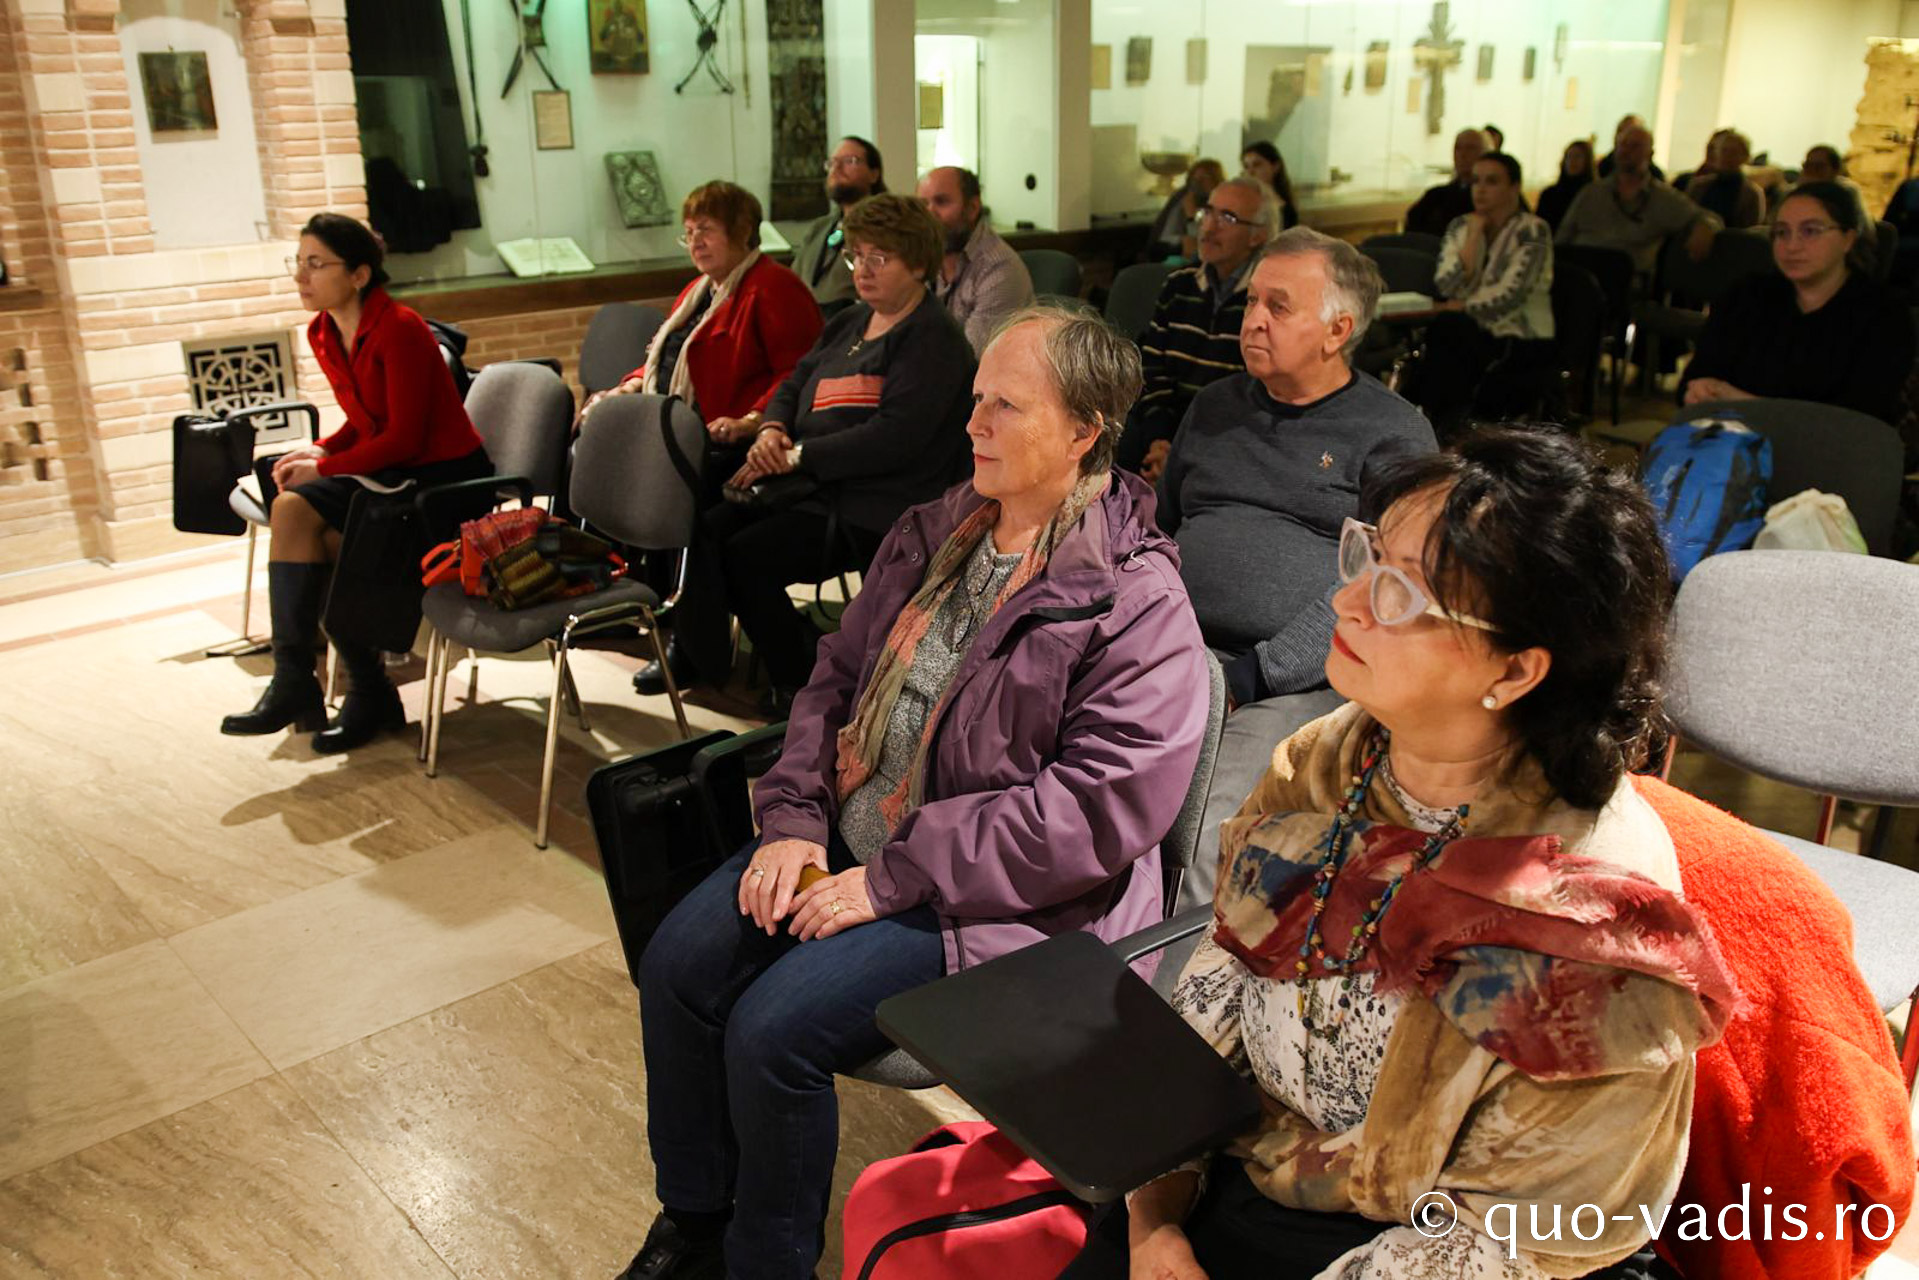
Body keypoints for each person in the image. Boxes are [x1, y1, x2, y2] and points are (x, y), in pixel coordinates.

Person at [622, 305, 1209, 1280]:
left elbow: (1094, 813)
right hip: (858, 836)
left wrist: (885, 878)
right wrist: (791, 819)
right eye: (974, 399)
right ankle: (695, 1218)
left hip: (1003, 898)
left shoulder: (1133, 599)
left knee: (772, 1032)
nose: (971, 422)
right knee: (679, 963)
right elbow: (830, 678)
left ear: (1082, 431)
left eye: (1004, 405)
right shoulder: (938, 532)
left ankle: (764, 1262)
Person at [1072, 427, 1738, 1280]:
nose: (1347, 601)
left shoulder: (1591, 919)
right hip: (1243, 1179)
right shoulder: (1325, 762)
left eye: (1399, 593)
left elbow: (1515, 1235)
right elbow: (1215, 1000)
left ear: (1515, 671)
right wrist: (1154, 1216)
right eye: (1365, 557)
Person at [1157, 228, 1435, 928]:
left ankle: (1156, 1006)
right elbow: (1159, 535)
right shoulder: (1213, 406)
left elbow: (1379, 586)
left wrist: (1256, 675)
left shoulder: (1391, 433)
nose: (1252, 319)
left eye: (1277, 307)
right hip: (1171, 651)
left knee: (1212, 830)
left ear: (1337, 329)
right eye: (1251, 301)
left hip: (1293, 681)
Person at [652, 194, 975, 711]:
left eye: (878, 258)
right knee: (704, 526)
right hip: (812, 485)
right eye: (856, 256)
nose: (862, 271)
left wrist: (798, 455)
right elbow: (795, 379)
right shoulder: (851, 320)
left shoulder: (932, 340)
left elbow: (895, 439)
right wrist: (772, 430)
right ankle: (710, 652)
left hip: (877, 503)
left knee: (744, 559)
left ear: (917, 263)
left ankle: (802, 688)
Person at [220, 213, 488, 751]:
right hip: (391, 478)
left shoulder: (401, 329)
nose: (302, 276)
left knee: (326, 542)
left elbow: (407, 438)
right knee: (292, 509)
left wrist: (325, 467)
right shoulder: (323, 331)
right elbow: (368, 424)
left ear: (360, 274)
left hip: (441, 485)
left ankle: (367, 691)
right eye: (298, 263)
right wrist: (323, 447)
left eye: (316, 264)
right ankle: (296, 676)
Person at [584, 180, 821, 496]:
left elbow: (798, 372)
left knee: (609, 462)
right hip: (672, 421)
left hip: (724, 440)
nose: (696, 242)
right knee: (594, 431)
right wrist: (625, 388)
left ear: (741, 230)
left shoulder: (774, 287)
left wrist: (752, 420)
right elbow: (667, 356)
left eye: (706, 230)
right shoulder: (698, 290)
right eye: (689, 232)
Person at [1680, 181, 1915, 425]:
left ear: (1848, 239)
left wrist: (1743, 403)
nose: (1792, 246)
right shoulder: (1746, 296)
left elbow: (1855, 421)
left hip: (1835, 457)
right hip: (1730, 446)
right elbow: (1695, 377)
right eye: (1782, 232)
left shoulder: (1884, 314)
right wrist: (1699, 392)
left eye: (1810, 231)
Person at [1115, 177, 1278, 479]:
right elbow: (1152, 374)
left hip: (1227, 437)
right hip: (1162, 430)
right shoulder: (1179, 286)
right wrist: (1160, 442)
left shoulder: (1264, 302)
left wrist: (1179, 452)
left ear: (1257, 236)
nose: (1208, 227)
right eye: (1207, 213)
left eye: (1227, 218)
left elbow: (1249, 394)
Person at [1401, 151, 1556, 439]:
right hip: (1468, 331)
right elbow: (1446, 285)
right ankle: (1442, 428)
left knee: (1448, 332)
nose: (1481, 189)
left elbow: (1511, 295)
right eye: (1476, 181)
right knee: (1448, 334)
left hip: (1520, 335)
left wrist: (1462, 305)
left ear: (1514, 187)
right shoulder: (1461, 226)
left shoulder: (1533, 230)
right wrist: (1473, 238)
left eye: (1492, 181)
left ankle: (1439, 425)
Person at [1556, 124, 1719, 276]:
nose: (1626, 151)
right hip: (1580, 273)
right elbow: (1563, 236)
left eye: (1635, 146)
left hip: (1625, 281)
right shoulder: (1592, 192)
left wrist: (1705, 227)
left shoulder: (1663, 198)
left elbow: (1706, 217)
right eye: (1623, 144)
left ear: (1650, 153)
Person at [916, 165, 1036, 354]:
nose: (929, 213)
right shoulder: (923, 258)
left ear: (972, 208)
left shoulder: (999, 268)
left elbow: (969, 360)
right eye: (922, 205)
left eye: (941, 202)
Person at [790, 136, 885, 308]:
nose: (837, 169)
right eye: (832, 163)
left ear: (874, 174)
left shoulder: (885, 225)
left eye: (850, 161)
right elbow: (793, 283)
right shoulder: (819, 228)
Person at [1403, 128, 1486, 238]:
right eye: (1458, 148)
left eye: (1470, 148)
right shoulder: (1435, 195)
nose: (1462, 154)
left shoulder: (1488, 198)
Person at [1679, 128, 1766, 229]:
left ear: (1745, 157)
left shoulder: (1752, 194)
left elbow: (1751, 231)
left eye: (1733, 152)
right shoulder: (1698, 186)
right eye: (1724, 151)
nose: (1727, 157)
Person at [1146, 158, 1226, 260]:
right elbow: (1166, 236)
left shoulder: (1222, 201)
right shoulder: (1184, 197)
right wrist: (1183, 237)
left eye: (1204, 177)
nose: (1198, 183)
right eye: (1195, 178)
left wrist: (1191, 216)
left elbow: (1205, 238)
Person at [1535, 137, 1595, 231]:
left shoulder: (1594, 195)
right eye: (1569, 156)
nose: (1572, 161)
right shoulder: (1550, 195)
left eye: (1577, 156)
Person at [1240, 141, 1301, 229]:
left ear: (1275, 167)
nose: (1250, 172)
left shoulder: (1285, 210)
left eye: (1257, 165)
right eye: (1246, 166)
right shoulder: (1241, 202)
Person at [1597, 113, 1666, 182]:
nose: (1626, 149)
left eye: (1635, 144)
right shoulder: (1603, 167)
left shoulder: (1655, 175)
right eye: (1621, 132)